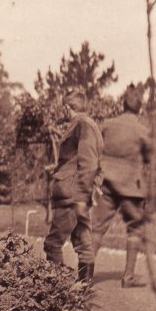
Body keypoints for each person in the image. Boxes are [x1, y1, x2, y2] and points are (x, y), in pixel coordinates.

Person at [91, 85, 154, 288]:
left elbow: (95, 149)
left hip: (106, 185)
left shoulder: (106, 125)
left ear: (123, 104)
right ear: (140, 108)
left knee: (96, 229)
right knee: (134, 229)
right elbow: (149, 158)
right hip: (131, 188)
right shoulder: (143, 131)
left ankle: (83, 278)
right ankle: (128, 277)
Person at [43, 91, 104, 282]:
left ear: (67, 107)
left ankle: (56, 289)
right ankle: (83, 291)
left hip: (72, 195)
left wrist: (82, 195)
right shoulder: (86, 125)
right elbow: (80, 161)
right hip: (77, 193)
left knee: (53, 243)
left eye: (65, 107)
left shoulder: (83, 125)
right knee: (83, 243)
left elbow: (89, 163)